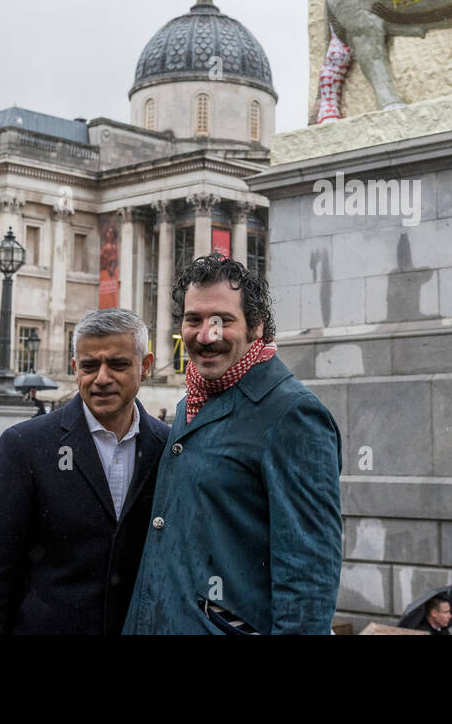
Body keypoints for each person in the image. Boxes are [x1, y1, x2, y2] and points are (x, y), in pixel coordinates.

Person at [123, 254, 343, 635]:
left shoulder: (293, 414)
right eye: (194, 320)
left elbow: (309, 575)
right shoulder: (193, 399)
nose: (206, 335)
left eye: (223, 320)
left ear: (256, 327)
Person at [0, 308, 169, 634]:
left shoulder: (168, 447)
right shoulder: (25, 446)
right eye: (89, 366)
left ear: (145, 366)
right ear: (75, 369)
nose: (102, 378)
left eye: (117, 364)